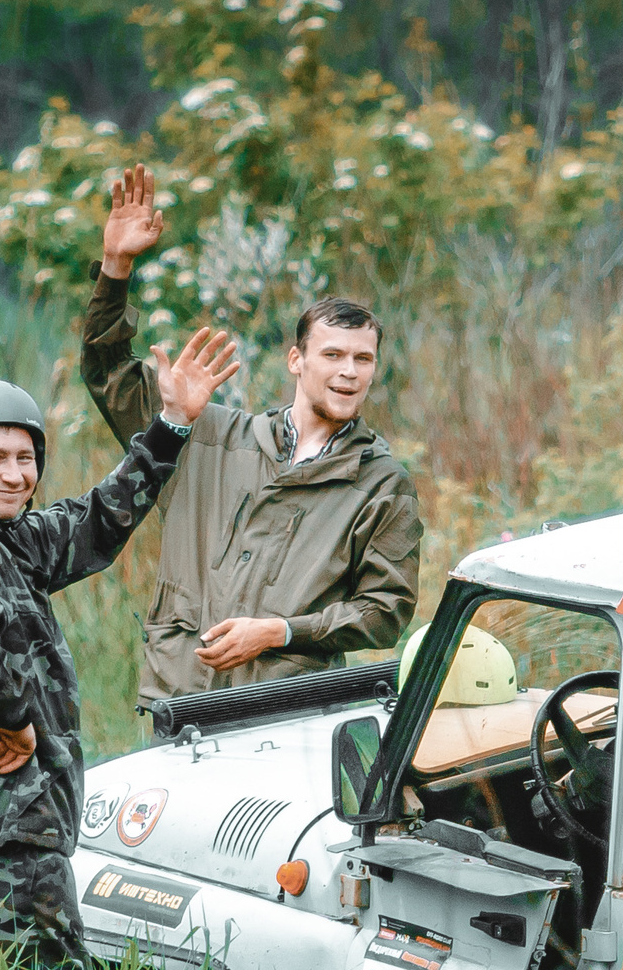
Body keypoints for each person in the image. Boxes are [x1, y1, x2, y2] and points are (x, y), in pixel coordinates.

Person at [0, 329, 241, 970]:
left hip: (4, 820)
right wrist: (15, 721)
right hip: (2, 818)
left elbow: (95, 523)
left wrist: (172, 425)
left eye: (25, 456)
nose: (14, 474)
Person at [79, 164, 422, 705]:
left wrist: (280, 632)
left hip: (287, 717)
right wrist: (117, 267)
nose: (349, 372)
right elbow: (107, 372)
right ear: (296, 360)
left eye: (363, 359)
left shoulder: (382, 483)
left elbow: (385, 613)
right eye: (332, 354)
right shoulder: (204, 432)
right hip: (180, 701)